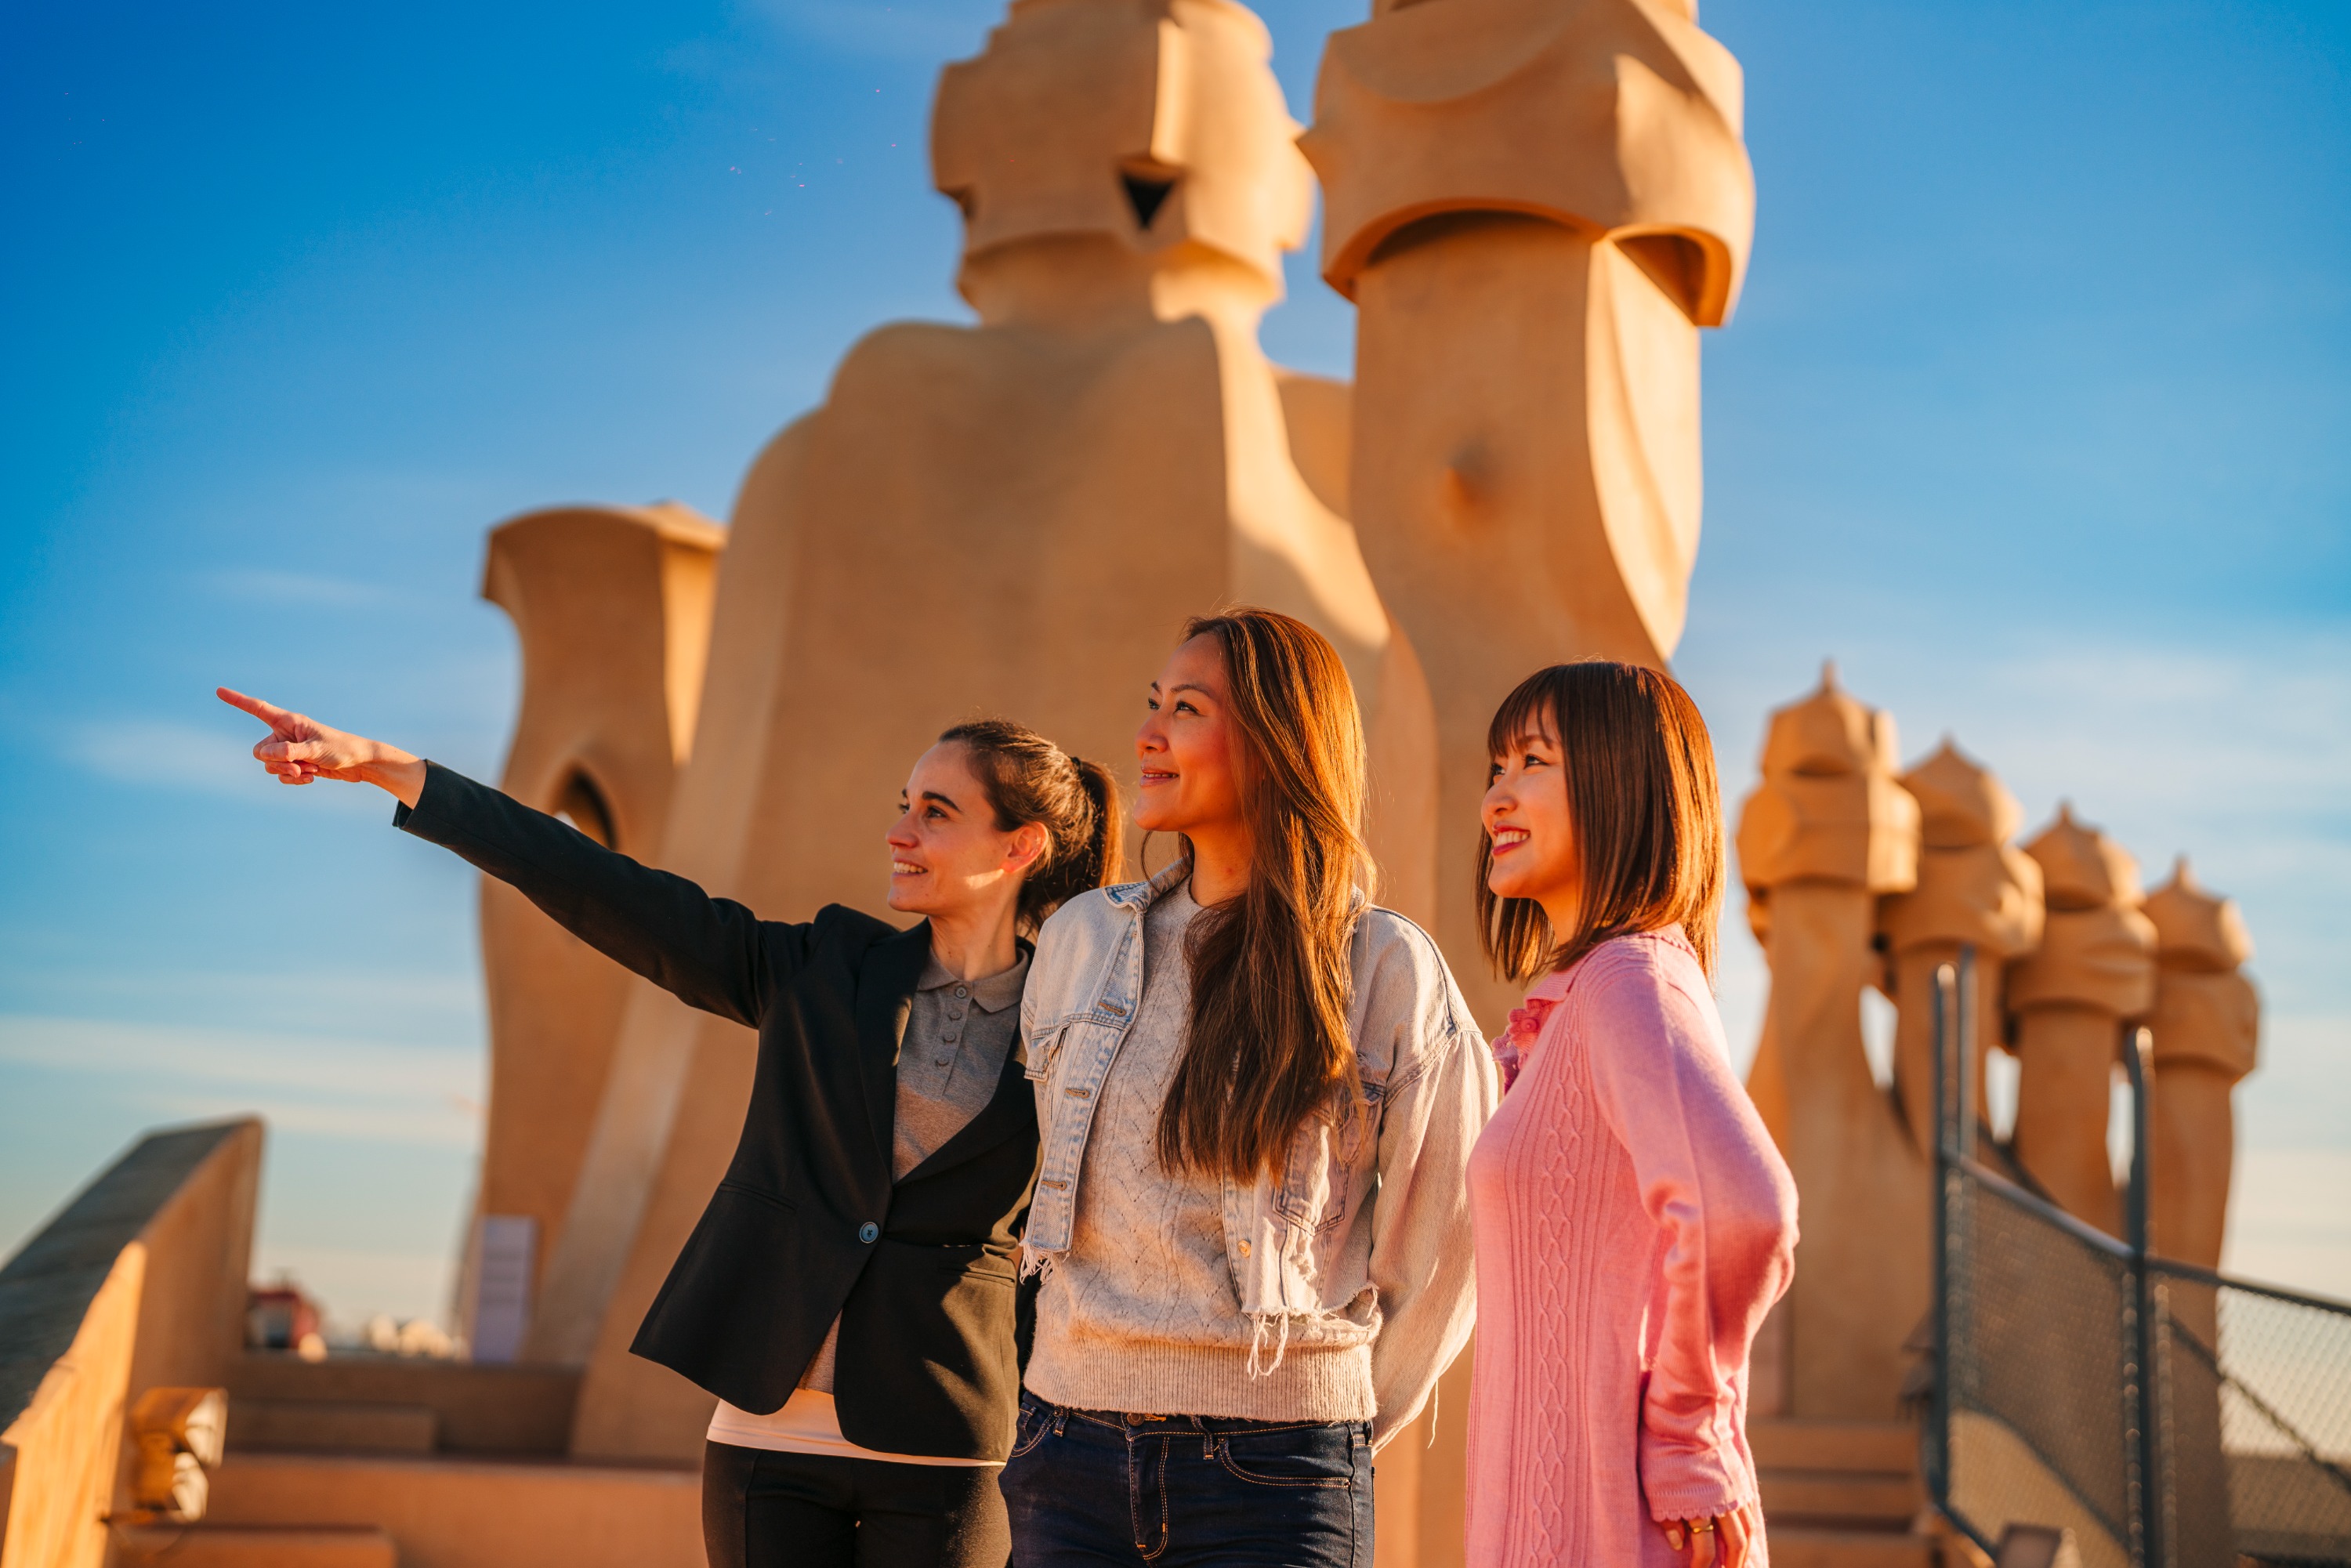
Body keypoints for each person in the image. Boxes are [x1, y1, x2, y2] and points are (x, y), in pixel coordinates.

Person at [219, 686, 1119, 1568]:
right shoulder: (824, 967)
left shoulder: (1076, 1019)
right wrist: (389, 769)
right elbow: (606, 887)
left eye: (935, 812)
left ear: (1020, 846)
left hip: (950, 1442)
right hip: (767, 1438)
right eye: (904, 805)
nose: (899, 831)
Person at [1002, 610, 1498, 1568]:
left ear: (1278, 743)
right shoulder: (1079, 942)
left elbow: (1451, 1241)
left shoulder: (1383, 964)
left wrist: (1330, 1421)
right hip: (1067, 1461)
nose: (1147, 734)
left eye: (1186, 710)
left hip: (1278, 1481)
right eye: (1153, 704)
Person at [1464, 661, 1799, 1568]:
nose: (1496, 798)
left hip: (1618, 1526)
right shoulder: (1574, 1007)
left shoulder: (1631, 981)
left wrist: (1691, 1432)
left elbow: (1745, 1208)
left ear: (1623, 780)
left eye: (1533, 761)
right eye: (1496, 767)